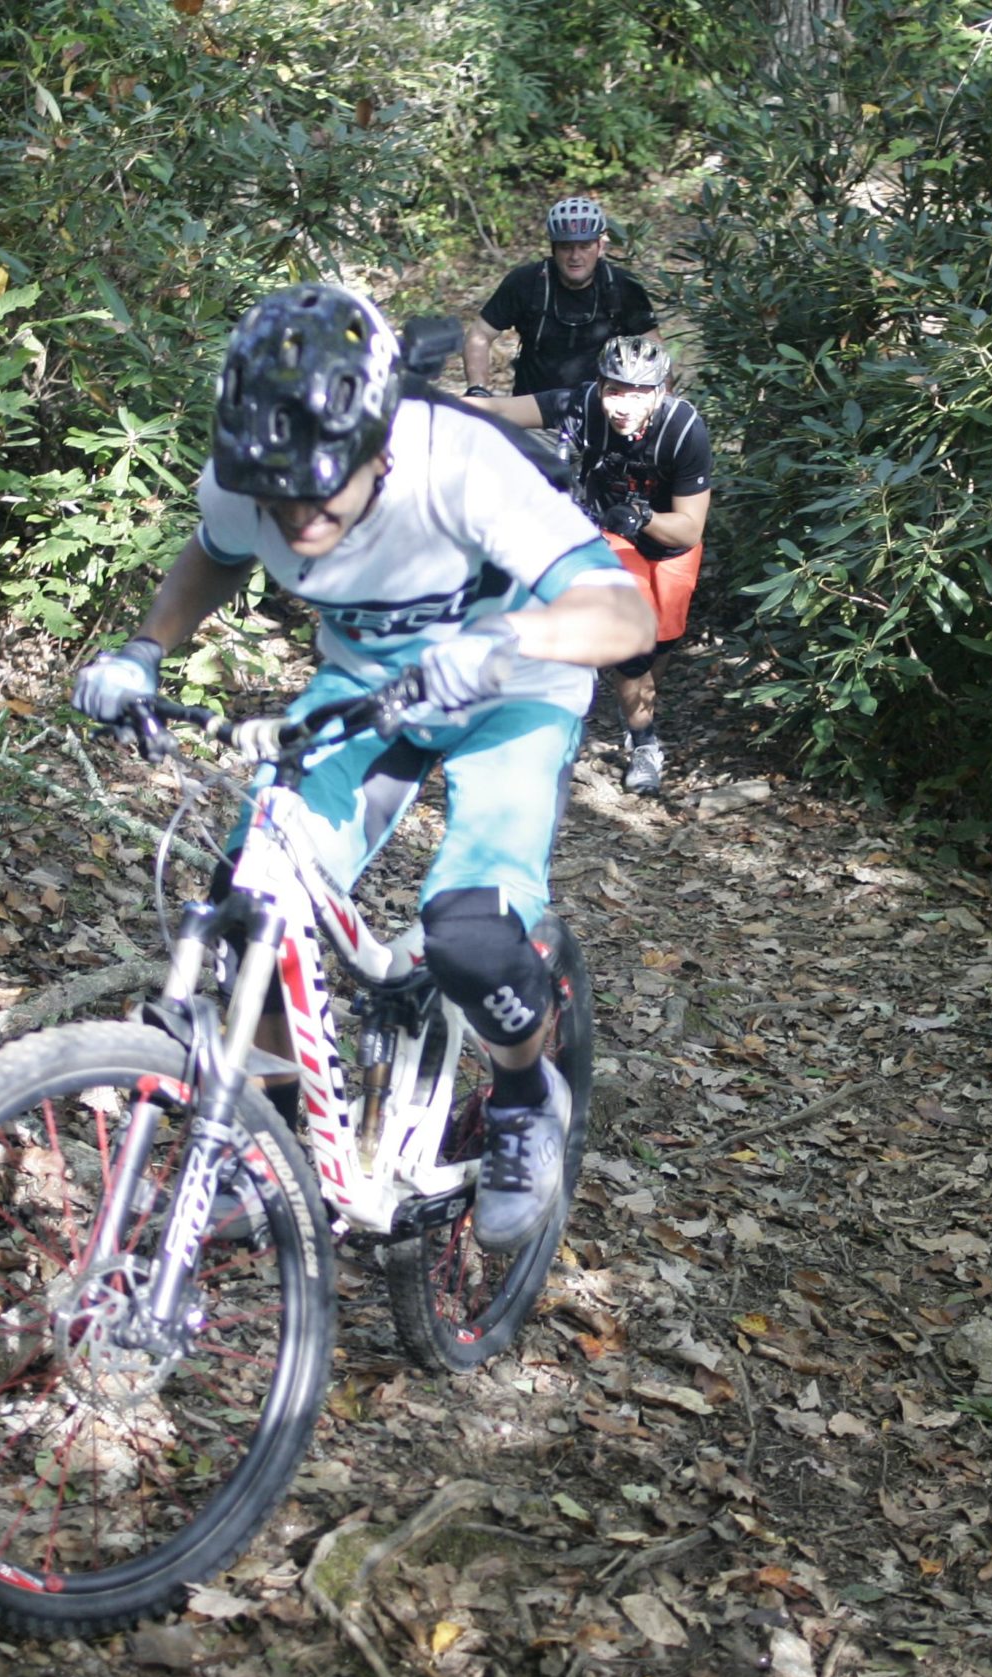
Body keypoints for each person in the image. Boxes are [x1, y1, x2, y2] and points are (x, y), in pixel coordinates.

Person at [70, 283, 655, 1251]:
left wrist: (509, 637)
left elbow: (625, 617)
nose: (295, 514)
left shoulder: (458, 468)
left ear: (380, 444)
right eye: (276, 489)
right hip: (367, 692)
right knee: (254, 900)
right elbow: (215, 552)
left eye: (320, 486)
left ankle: (520, 1098)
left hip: (516, 684)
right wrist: (142, 650)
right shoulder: (249, 477)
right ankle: (264, 1141)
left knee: (468, 931)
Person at [466, 335, 710, 797]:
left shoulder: (683, 430)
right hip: (613, 536)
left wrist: (645, 516)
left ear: (662, 391)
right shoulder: (580, 406)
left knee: (663, 642)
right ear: (599, 386)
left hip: (670, 539)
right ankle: (645, 743)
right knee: (632, 645)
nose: (624, 404)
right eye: (615, 390)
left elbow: (690, 529)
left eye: (638, 393)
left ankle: (637, 706)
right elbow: (499, 409)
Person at [465, 195, 659, 398]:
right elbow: (479, 333)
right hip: (532, 408)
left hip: (602, 410)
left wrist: (663, 401)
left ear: (600, 247)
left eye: (584, 247)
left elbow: (652, 345)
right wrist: (477, 389)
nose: (575, 256)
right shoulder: (525, 282)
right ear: (553, 248)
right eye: (566, 247)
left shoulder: (622, 285)